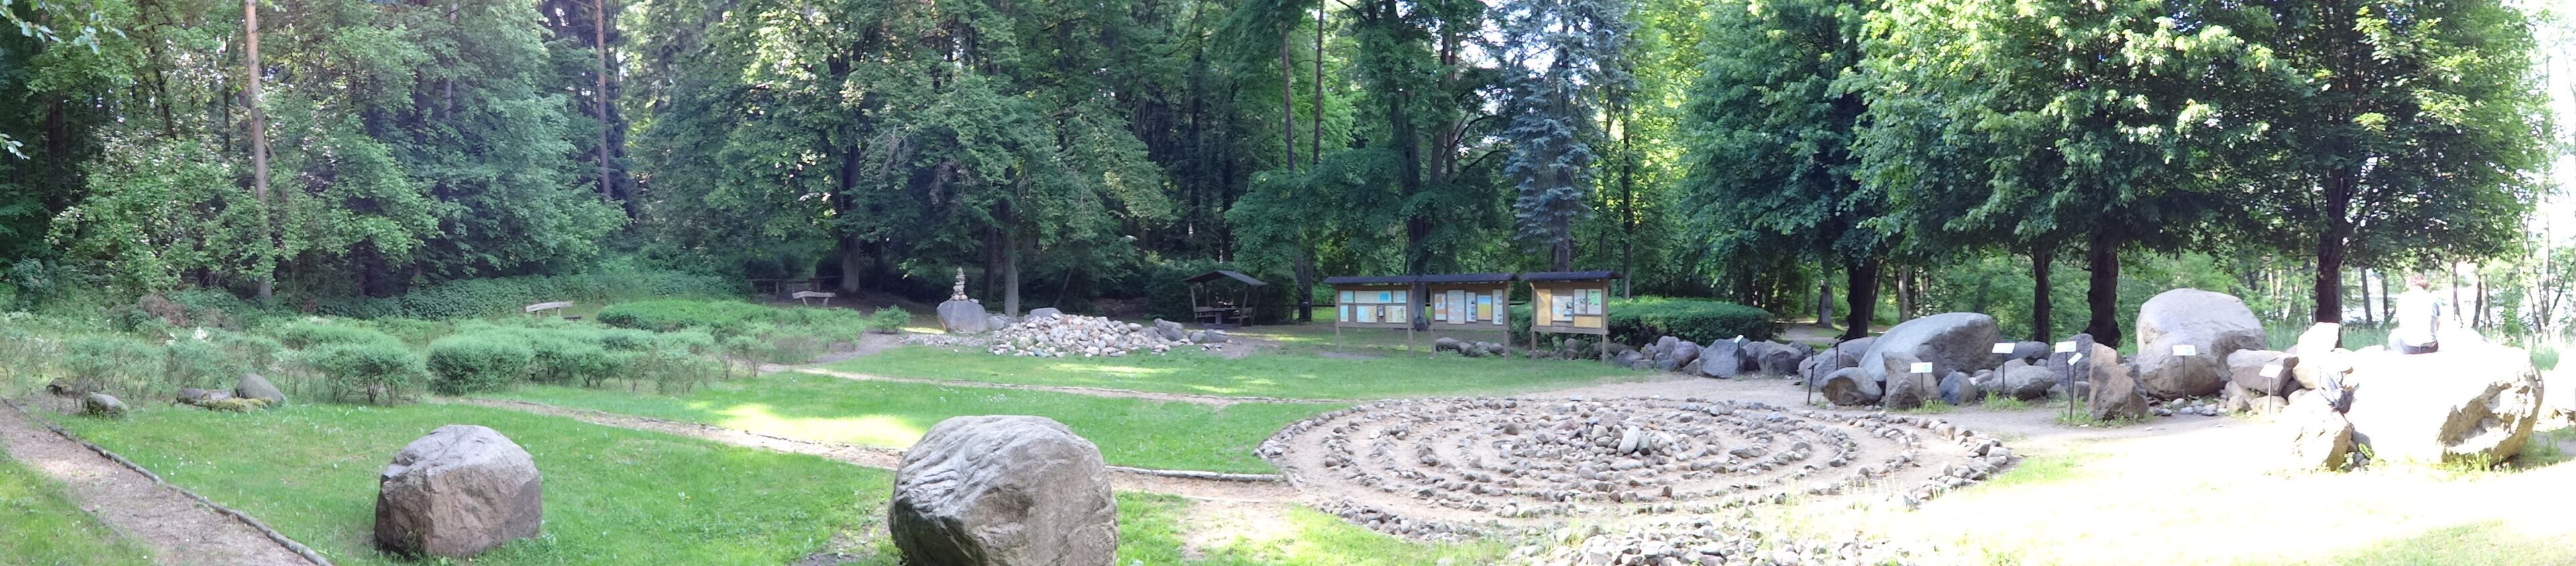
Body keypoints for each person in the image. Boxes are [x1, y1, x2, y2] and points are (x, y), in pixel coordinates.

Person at [2390, 274, 2443, 354]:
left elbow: (2402, 323)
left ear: (2410, 284)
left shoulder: (2402, 298)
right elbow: (2437, 323)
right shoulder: (2434, 298)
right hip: (2431, 347)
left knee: (2392, 336)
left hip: (2409, 347)